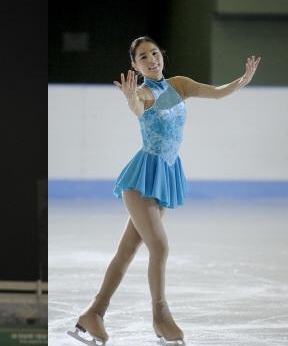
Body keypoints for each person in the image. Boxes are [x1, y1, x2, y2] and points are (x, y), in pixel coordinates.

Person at [67, 36, 260, 346]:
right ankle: (160, 315)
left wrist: (242, 80)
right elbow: (137, 108)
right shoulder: (143, 92)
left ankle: (93, 313)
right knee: (160, 247)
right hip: (143, 178)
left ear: (161, 56)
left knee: (127, 251)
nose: (151, 59)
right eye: (143, 57)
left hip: (165, 175)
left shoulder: (178, 86)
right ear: (135, 65)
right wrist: (131, 97)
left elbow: (216, 93)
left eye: (154, 53)